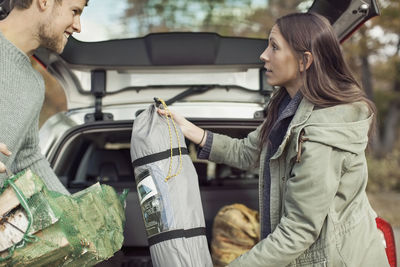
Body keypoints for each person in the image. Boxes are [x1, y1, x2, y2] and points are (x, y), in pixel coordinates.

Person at [158, 12, 389, 266]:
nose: (264, 55)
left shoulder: (324, 133)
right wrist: (191, 130)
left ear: (304, 61)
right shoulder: (287, 109)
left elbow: (297, 231)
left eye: (274, 47)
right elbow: (247, 152)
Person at [0, 0, 88, 194]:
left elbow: (28, 158)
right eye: (74, 11)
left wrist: (73, 212)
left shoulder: (34, 84)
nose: (78, 26)